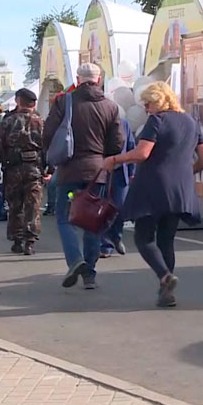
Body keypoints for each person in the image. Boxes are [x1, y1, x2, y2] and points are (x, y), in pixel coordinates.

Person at [105, 82, 203, 306]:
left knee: (143, 238)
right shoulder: (191, 122)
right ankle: (166, 293)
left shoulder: (158, 120)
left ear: (159, 101)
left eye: (148, 103)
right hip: (179, 189)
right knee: (166, 239)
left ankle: (164, 276)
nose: (146, 108)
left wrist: (114, 159)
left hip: (153, 185)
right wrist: (189, 171)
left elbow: (142, 153)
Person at [43, 63, 124, 290]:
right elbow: (117, 142)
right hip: (97, 172)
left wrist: (52, 156)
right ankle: (90, 273)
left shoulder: (64, 102)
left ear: (78, 80)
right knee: (92, 219)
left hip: (69, 169)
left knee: (64, 216)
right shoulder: (110, 106)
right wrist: (104, 158)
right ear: (98, 80)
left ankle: (75, 260)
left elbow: (48, 132)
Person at [0, 88, 44, 256]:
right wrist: (50, 168)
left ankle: (17, 240)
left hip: (13, 168)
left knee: (15, 205)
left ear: (18, 101)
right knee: (33, 205)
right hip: (34, 168)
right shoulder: (41, 122)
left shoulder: (8, 121)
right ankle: (30, 241)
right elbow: (48, 146)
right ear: (34, 103)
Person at [101, 117, 136, 258]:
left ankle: (116, 235)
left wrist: (132, 171)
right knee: (102, 209)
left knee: (120, 208)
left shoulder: (124, 123)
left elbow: (131, 146)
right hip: (101, 171)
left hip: (121, 172)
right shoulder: (96, 122)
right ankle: (105, 245)